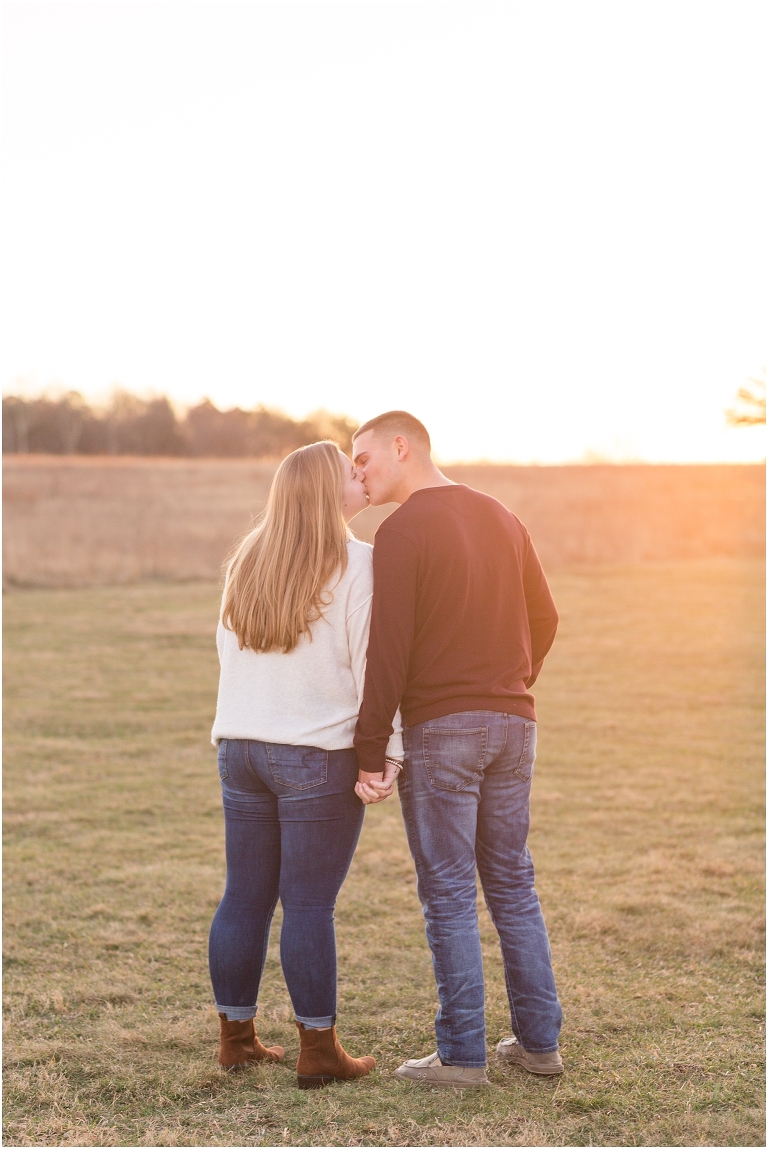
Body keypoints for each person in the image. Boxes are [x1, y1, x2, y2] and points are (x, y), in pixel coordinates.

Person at [353, 411, 563, 1089]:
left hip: (443, 729)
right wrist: (510, 684)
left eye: (363, 459)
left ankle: (461, 1056)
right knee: (511, 882)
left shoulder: (402, 531)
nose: (359, 473)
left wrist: (367, 748)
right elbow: (546, 617)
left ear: (401, 447)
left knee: (447, 890)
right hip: (514, 724)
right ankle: (539, 1044)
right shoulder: (502, 514)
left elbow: (388, 651)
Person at [209, 440, 402, 1088]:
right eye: (351, 472)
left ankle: (236, 1037)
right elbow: (375, 669)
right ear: (327, 491)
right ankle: (319, 1051)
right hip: (315, 753)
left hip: (240, 747)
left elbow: (228, 653)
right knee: (309, 904)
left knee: (245, 895)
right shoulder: (357, 563)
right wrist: (389, 753)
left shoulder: (247, 557)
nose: (362, 476)